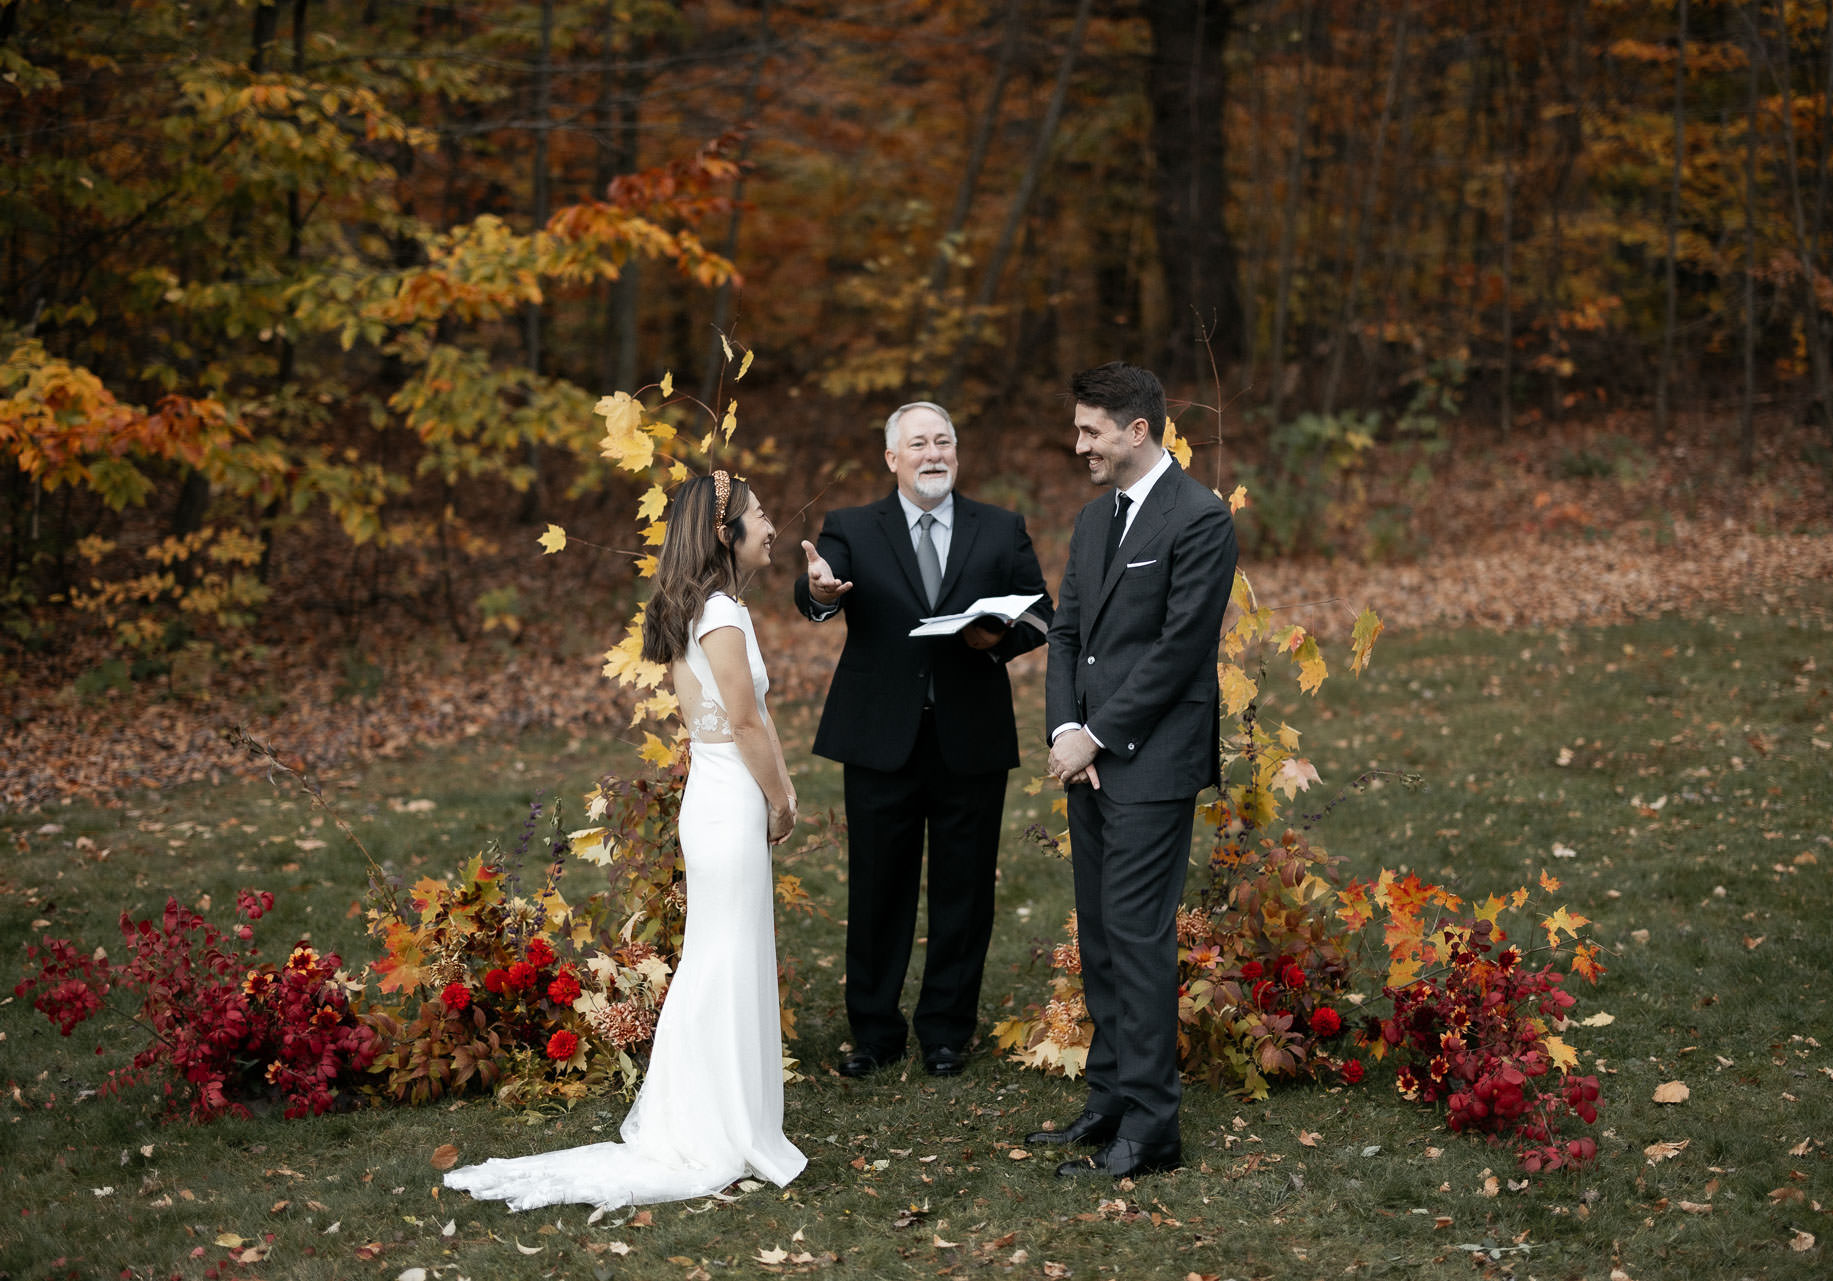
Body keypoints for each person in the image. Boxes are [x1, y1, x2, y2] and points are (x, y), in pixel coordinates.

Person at [444, 470, 806, 1211]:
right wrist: (782, 797)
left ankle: (719, 1114)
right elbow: (742, 723)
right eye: (760, 514)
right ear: (722, 531)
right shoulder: (722, 616)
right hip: (731, 800)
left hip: (713, 798)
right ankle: (713, 1123)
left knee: (721, 956)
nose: (772, 526)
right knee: (723, 960)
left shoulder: (703, 606)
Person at [795, 401, 1053, 1079]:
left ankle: (946, 1031)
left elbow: (1040, 611)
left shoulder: (1000, 528)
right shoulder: (851, 527)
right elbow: (820, 589)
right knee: (879, 888)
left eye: (944, 441)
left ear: (956, 453)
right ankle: (874, 1032)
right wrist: (819, 591)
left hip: (971, 735)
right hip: (881, 737)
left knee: (964, 891)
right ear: (892, 458)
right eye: (918, 443)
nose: (932, 452)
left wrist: (997, 635)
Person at [1027, 362, 1238, 1180]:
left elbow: (1180, 651)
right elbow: (1067, 631)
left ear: (1137, 430)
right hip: (1090, 760)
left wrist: (1102, 736)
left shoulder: (1200, 518)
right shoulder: (1091, 520)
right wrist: (1067, 727)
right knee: (1103, 933)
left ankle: (1154, 1129)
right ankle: (1110, 1099)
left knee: (1140, 938)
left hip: (1152, 762)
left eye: (1090, 430)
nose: (1078, 443)